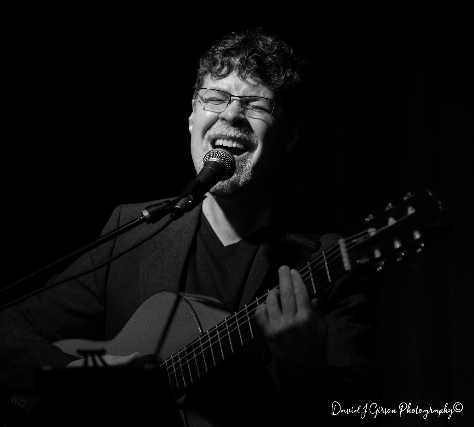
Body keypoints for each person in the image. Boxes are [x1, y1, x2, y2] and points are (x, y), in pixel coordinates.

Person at [0, 28, 382, 426]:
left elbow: (360, 412)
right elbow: (8, 329)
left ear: (290, 135)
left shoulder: (331, 264)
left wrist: (307, 371)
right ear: (191, 119)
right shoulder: (133, 230)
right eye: (214, 99)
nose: (230, 115)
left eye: (256, 105)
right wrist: (76, 378)